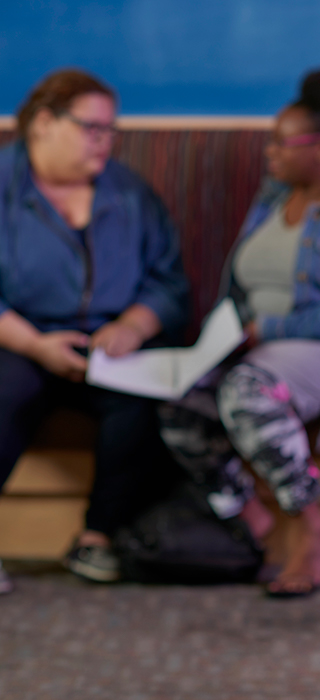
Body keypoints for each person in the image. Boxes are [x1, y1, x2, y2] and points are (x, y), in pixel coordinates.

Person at [158, 65, 320, 598]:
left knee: (248, 390)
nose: (269, 153)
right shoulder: (274, 197)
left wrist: (270, 328)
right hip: (263, 347)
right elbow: (240, 281)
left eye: (280, 143)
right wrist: (215, 340)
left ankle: (310, 525)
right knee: (177, 399)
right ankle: (250, 517)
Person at [0, 69, 189, 586]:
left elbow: (169, 283)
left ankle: (98, 537)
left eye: (110, 130)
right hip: (20, 338)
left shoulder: (131, 194)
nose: (105, 141)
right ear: (43, 123)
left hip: (109, 346)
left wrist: (133, 323)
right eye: (92, 128)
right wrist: (36, 345)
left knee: (140, 398)